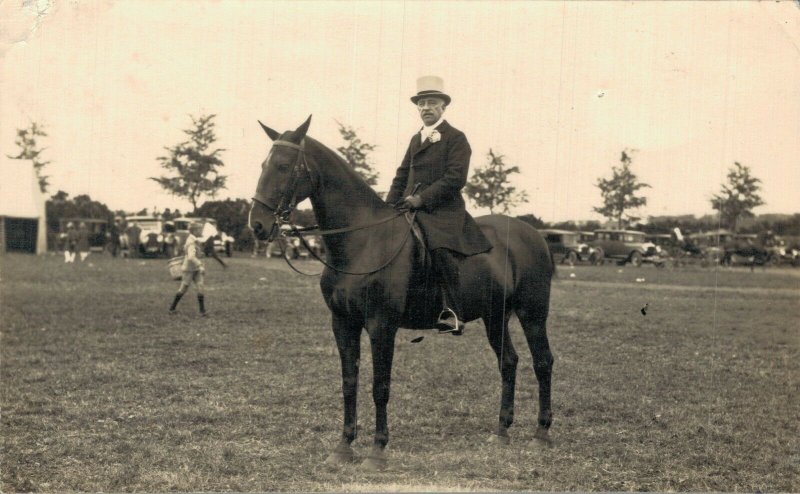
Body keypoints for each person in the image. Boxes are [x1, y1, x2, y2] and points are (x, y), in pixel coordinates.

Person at [386, 76, 492, 334]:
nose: (425, 108)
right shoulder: (415, 139)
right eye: (421, 104)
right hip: (411, 208)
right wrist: (388, 205)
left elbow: (455, 178)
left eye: (431, 103)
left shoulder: (456, 138)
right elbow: (401, 175)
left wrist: (421, 199)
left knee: (439, 248)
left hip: (442, 210)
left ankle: (452, 312)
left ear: (443, 107)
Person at [169, 222, 211, 316]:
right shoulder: (191, 242)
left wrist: (200, 255)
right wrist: (200, 264)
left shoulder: (194, 240)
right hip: (189, 269)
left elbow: (193, 254)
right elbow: (191, 257)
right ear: (194, 230)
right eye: (199, 229)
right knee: (183, 288)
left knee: (200, 287)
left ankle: (202, 311)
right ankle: (172, 308)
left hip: (195, 269)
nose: (201, 231)